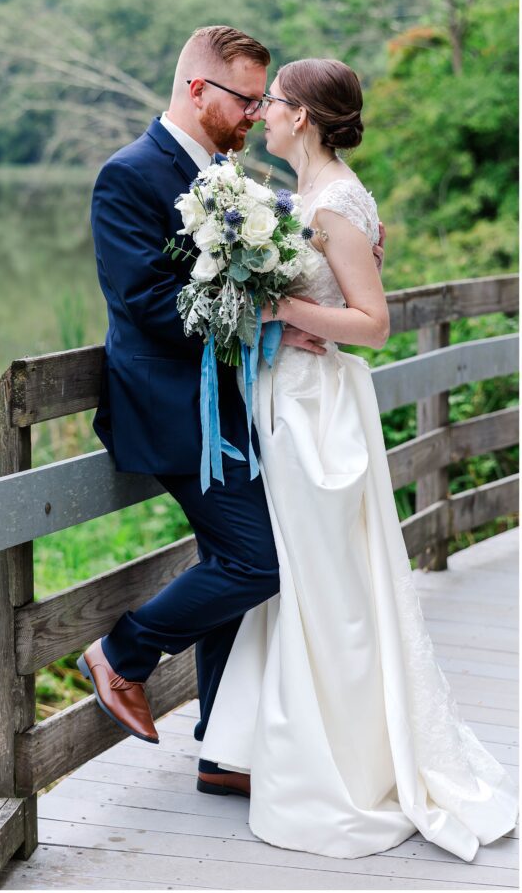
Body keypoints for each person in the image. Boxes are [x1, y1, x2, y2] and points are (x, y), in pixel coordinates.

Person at [199, 58, 518, 861]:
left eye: (272, 103)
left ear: (302, 116)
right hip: (289, 400)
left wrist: (280, 305)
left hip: (318, 415)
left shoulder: (335, 203)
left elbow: (372, 324)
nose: (262, 113)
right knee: (306, 581)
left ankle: (338, 767)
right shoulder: (301, 198)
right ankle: (278, 746)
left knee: (330, 587)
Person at [82, 26, 382, 796]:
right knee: (256, 562)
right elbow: (147, 306)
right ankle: (123, 654)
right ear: (196, 90)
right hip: (175, 411)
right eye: (244, 99)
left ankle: (223, 747)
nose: (254, 113)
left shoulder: (229, 174)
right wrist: (272, 313)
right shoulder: (129, 176)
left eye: (261, 101)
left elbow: (302, 242)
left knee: (238, 566)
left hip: (249, 407)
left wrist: (316, 283)